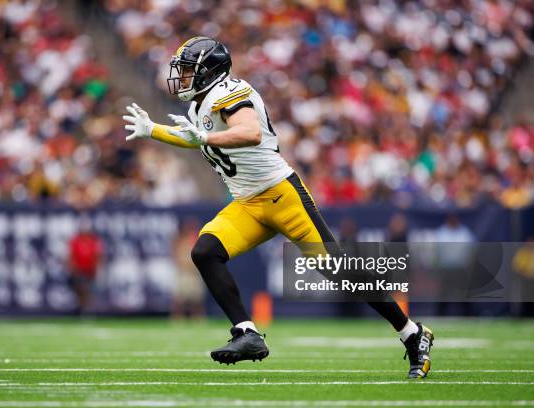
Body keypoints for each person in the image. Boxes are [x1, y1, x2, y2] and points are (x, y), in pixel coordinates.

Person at [122, 36, 434, 378]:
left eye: (187, 71)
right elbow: (196, 137)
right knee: (205, 251)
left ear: (209, 71)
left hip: (282, 196)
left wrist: (205, 137)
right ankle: (247, 333)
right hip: (248, 203)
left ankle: (412, 334)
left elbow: (250, 132)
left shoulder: (228, 92)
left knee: (338, 269)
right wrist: (153, 130)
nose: (180, 78)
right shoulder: (200, 105)